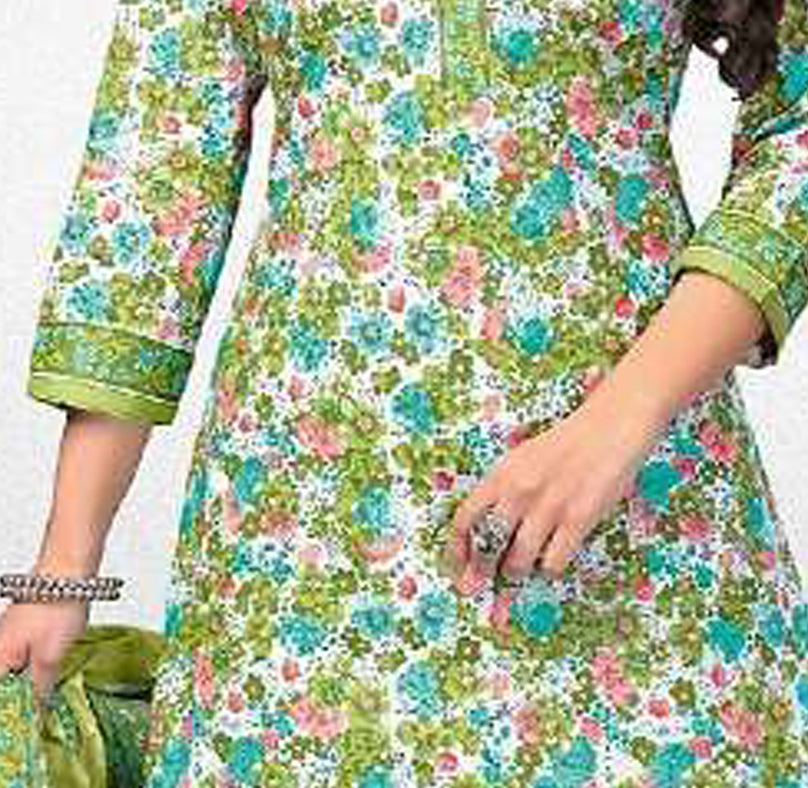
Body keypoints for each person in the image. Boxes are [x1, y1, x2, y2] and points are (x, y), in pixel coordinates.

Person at [3, 0, 808, 783]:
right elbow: (150, 196)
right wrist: (63, 567)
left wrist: (620, 422)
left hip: (639, 508)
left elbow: (797, 137)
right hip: (310, 529)